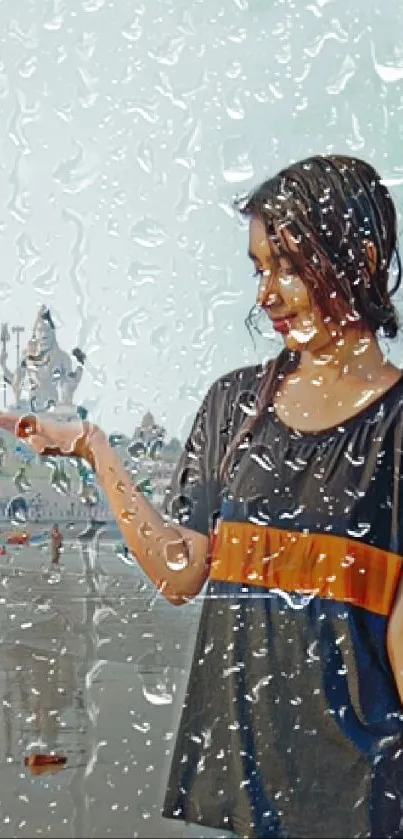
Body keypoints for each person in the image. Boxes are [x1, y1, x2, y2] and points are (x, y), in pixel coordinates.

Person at [1, 155, 403, 838]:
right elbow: (182, 570)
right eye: (257, 269)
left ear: (359, 259)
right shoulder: (233, 406)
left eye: (287, 266)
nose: (266, 295)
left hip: (364, 801)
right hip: (248, 795)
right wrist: (94, 446)